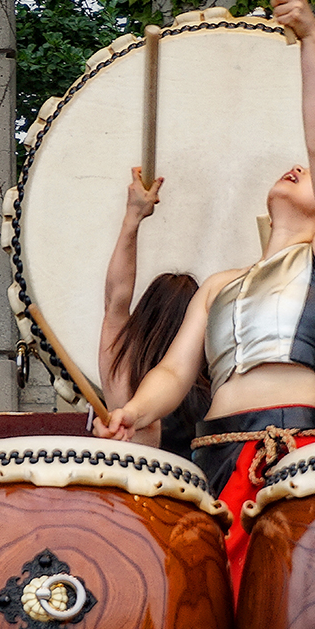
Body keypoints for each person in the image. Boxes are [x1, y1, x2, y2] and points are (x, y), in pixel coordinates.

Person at [95, 0, 315, 595]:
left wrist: (308, 41)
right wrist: (134, 410)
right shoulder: (220, 284)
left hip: (292, 448)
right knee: (207, 607)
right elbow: (173, 374)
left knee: (288, 603)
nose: (301, 166)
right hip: (213, 452)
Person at [97, 167, 209, 459]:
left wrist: (132, 217)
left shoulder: (122, 368)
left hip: (134, 496)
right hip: (203, 497)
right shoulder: (215, 382)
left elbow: (115, 302)